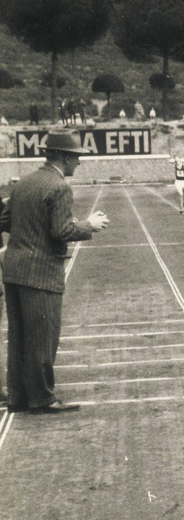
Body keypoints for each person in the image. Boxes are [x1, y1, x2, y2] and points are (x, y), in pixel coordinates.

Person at [1, 131, 109, 413]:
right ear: (63, 157)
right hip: (40, 272)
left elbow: (5, 220)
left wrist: (31, 234)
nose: (78, 163)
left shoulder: (25, 182)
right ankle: (42, 398)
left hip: (13, 269)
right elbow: (62, 230)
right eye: (75, 157)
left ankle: (17, 396)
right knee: (42, 337)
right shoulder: (59, 187)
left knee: (19, 335)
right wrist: (88, 224)